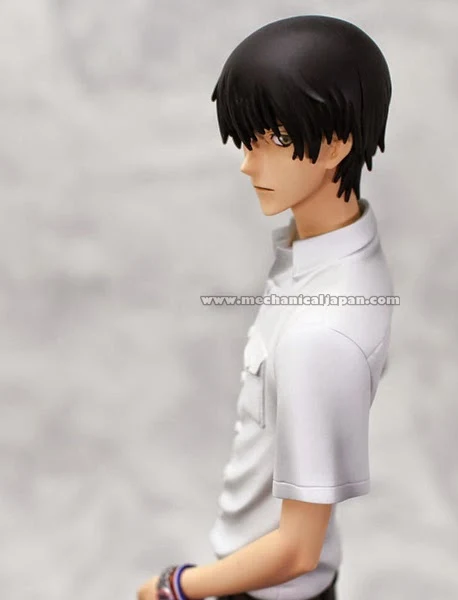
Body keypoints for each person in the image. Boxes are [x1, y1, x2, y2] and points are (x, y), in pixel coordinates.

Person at [137, 14, 394, 600]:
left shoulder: (320, 333)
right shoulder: (327, 248)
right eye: (248, 138)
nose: (248, 164)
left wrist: (175, 587)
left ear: (336, 143)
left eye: (275, 138)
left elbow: (298, 550)